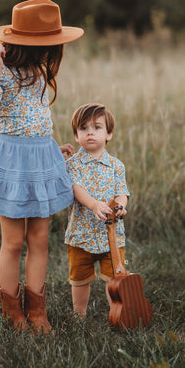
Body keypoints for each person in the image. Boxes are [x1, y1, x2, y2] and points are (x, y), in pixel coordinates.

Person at [0, 0, 83, 334]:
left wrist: (52, 148)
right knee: (13, 243)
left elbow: (34, 118)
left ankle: (37, 311)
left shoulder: (38, 71)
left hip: (42, 157)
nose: (51, 50)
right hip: (12, 161)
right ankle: (13, 312)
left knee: (39, 239)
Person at [65, 103, 130, 316]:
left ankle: (116, 312)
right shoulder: (73, 165)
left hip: (110, 235)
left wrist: (120, 206)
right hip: (81, 234)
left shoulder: (116, 166)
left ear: (108, 134)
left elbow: (122, 192)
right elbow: (76, 189)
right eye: (83, 128)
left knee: (115, 278)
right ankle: (79, 314)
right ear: (76, 136)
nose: (90, 132)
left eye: (97, 127)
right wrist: (94, 205)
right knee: (80, 279)